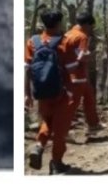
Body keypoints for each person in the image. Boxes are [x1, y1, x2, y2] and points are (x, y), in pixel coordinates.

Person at [26, 9, 76, 175]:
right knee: (60, 130)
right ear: (59, 23)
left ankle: (39, 146)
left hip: (41, 93)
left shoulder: (33, 42)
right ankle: (56, 163)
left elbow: (27, 69)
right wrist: (71, 92)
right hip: (61, 93)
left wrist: (27, 94)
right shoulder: (65, 42)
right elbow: (71, 70)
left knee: (47, 121)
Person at [64, 12, 103, 134]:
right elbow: (81, 57)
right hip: (78, 75)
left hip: (70, 73)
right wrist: (92, 55)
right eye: (91, 26)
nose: (91, 29)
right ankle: (62, 130)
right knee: (72, 104)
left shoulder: (67, 34)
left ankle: (93, 124)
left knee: (89, 98)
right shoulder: (82, 37)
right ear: (86, 24)